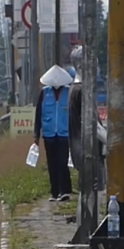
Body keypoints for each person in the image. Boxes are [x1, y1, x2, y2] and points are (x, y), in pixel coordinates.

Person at [34, 65, 77, 202]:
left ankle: (64, 191)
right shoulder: (44, 93)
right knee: (52, 163)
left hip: (64, 134)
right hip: (49, 133)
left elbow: (74, 114)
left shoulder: (69, 92)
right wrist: (36, 134)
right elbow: (38, 114)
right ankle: (54, 192)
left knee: (62, 162)